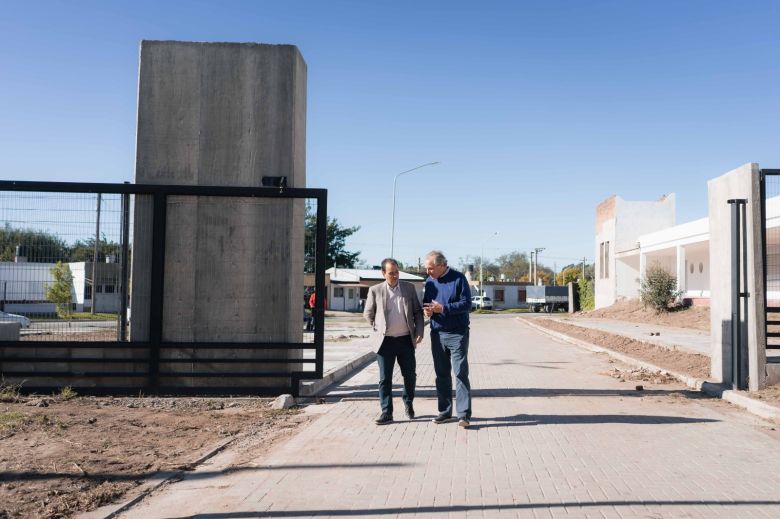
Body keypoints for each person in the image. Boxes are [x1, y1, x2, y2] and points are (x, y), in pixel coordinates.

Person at [364, 258, 424, 425]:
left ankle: (408, 403)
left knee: (410, 376)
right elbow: (368, 313)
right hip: (385, 342)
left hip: (405, 340)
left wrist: (419, 331)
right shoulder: (375, 290)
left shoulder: (409, 288)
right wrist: (378, 329)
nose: (395, 275)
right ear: (384, 274)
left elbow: (418, 313)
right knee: (385, 379)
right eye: (391, 273)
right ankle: (386, 412)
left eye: (397, 272)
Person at [423, 250, 473, 428]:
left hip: (457, 333)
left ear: (442, 265)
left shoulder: (458, 278)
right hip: (437, 334)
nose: (428, 272)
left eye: (430, 268)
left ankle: (464, 415)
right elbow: (427, 302)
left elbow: (467, 304)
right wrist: (428, 310)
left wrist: (443, 308)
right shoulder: (429, 281)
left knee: (460, 373)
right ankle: (444, 412)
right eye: (427, 269)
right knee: (441, 374)